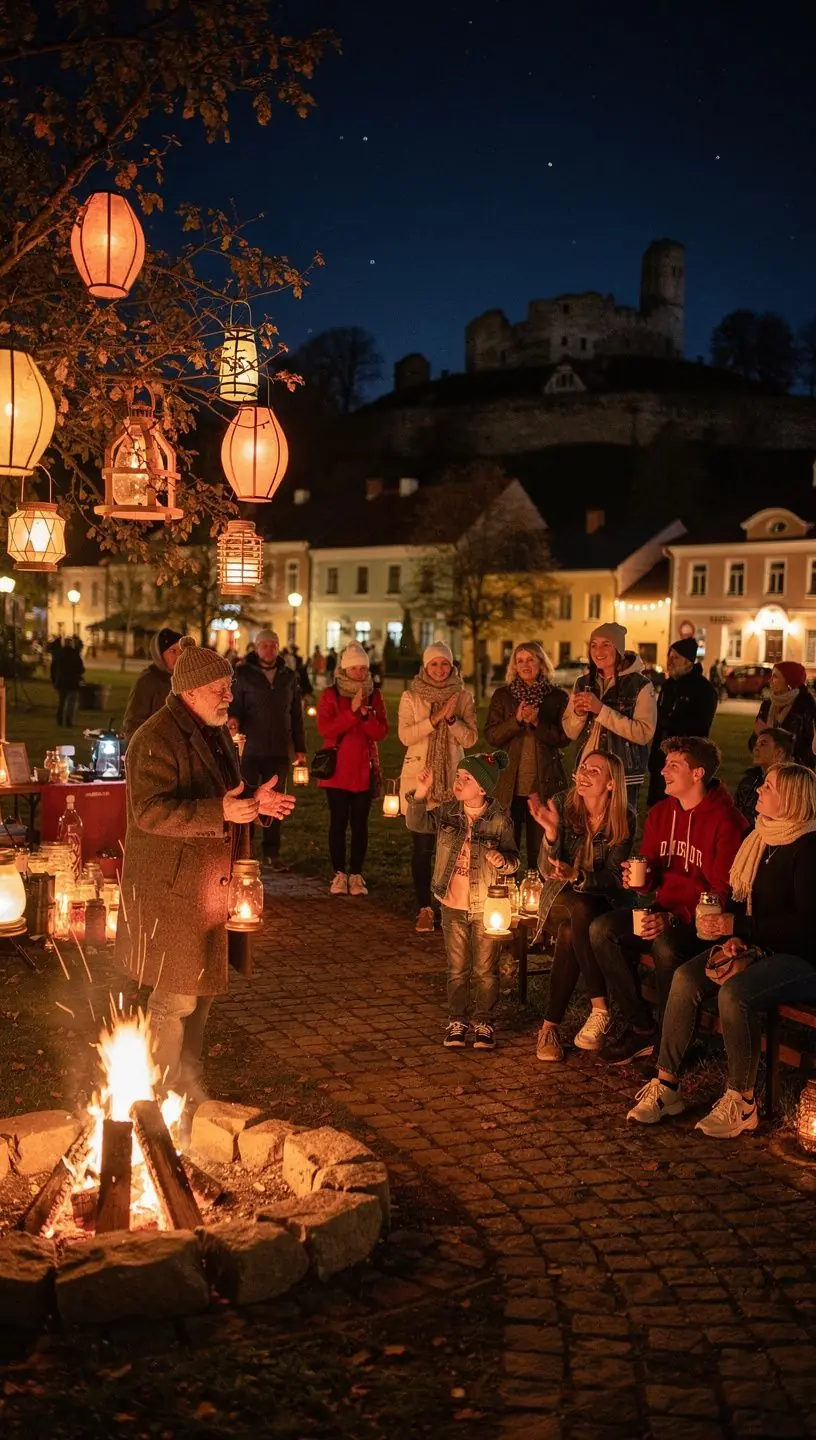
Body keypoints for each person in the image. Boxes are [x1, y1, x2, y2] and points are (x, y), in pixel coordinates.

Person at [115, 637, 295, 1100]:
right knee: (175, 997)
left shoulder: (211, 730)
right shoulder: (153, 739)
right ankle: (151, 1098)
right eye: (221, 687)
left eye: (229, 685)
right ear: (191, 691)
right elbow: (150, 812)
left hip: (209, 885)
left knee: (203, 992)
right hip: (172, 889)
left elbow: (227, 791)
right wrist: (221, 812)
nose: (229, 695)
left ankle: (185, 1091)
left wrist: (255, 800)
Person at [627, 763, 816, 1137]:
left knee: (735, 994)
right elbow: (747, 905)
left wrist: (739, 927)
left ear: (791, 800)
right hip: (758, 946)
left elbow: (806, 926)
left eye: (769, 786)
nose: (759, 789)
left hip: (802, 959)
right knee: (685, 977)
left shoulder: (808, 848)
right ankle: (667, 1086)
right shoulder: (763, 838)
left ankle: (742, 1101)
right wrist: (734, 934)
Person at [588, 736, 748, 1065]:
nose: (663, 771)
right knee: (602, 929)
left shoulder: (727, 821)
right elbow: (652, 881)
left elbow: (722, 892)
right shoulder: (661, 813)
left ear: (698, 773)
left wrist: (674, 919)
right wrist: (642, 878)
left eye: (673, 765)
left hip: (703, 922)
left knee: (666, 946)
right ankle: (641, 1028)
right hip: (665, 909)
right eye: (665, 764)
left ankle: (671, 1043)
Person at [406, 750, 518, 1050]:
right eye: (458, 776)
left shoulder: (499, 820)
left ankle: (484, 1021)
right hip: (452, 903)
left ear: (482, 788)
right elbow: (416, 823)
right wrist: (421, 792)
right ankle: (457, 1020)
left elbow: (514, 860)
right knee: (457, 968)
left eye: (466, 778)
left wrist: (501, 861)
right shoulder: (447, 813)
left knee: (485, 969)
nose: (458, 782)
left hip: (486, 907)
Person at [530, 751, 636, 1062]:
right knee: (578, 908)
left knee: (571, 930)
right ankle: (600, 1008)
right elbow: (544, 870)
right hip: (562, 896)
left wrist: (580, 875)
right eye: (582, 767)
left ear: (612, 784)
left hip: (605, 902)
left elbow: (616, 877)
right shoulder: (564, 804)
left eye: (594, 770)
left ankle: (549, 1027)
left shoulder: (624, 817)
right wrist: (550, 835)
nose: (584, 773)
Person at [399, 642, 478, 934]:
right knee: (421, 848)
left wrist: (451, 719)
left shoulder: (463, 697)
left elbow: (470, 740)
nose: (440, 669)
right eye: (434, 664)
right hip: (422, 780)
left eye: (445, 664)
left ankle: (447, 904)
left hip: (452, 783)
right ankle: (424, 908)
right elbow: (405, 735)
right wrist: (433, 720)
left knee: (451, 849)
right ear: (425, 667)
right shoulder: (411, 696)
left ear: (452, 665)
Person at [484, 641, 568, 868]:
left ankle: (537, 895)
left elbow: (564, 738)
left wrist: (538, 722)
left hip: (543, 785)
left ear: (541, 663)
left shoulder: (557, 697)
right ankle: (505, 896)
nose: (525, 664)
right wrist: (517, 721)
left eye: (531, 659)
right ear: (513, 666)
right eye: (519, 660)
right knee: (505, 848)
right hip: (509, 785)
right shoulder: (503, 695)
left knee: (540, 849)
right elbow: (492, 735)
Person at [228, 628, 307, 869]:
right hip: (250, 749)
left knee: (276, 803)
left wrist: (300, 749)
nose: (269, 649)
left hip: (278, 750)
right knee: (249, 801)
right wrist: (234, 721)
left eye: (274, 645)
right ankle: (246, 850)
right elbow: (235, 706)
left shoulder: (288, 676)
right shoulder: (242, 674)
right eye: (265, 645)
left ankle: (272, 852)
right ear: (256, 647)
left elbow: (296, 714)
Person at [315, 642, 388, 896]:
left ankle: (356, 874)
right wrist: (352, 713)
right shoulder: (330, 695)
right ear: (345, 669)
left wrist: (366, 716)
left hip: (363, 772)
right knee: (337, 823)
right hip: (336, 771)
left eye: (363, 668)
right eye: (354, 668)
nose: (359, 672)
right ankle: (338, 874)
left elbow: (380, 732)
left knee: (360, 825)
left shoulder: (374, 694)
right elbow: (326, 730)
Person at [562, 623, 657, 809]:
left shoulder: (641, 686)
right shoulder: (582, 683)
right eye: (593, 645)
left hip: (621, 774)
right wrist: (579, 714)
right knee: (584, 829)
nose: (598, 651)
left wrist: (601, 710)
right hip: (586, 772)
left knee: (617, 831)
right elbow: (570, 732)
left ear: (619, 650)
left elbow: (644, 733)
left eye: (606, 644)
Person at [647, 638, 718, 807]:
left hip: (686, 760)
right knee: (660, 807)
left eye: (676, 657)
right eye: (669, 656)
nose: (670, 661)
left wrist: (667, 721)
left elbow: (698, 726)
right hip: (661, 759)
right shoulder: (668, 686)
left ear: (689, 663)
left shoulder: (704, 690)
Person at [122, 627, 183, 744]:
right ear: (159, 654)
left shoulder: (188, 680)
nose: (179, 656)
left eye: (181, 651)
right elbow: (134, 722)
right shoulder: (147, 681)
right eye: (173, 651)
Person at [751, 662, 816, 769]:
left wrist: (772, 736)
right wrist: (759, 737)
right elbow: (752, 744)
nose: (770, 680)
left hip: (795, 771)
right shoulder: (767, 705)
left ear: (789, 682)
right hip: (766, 769)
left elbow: (808, 749)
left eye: (775, 677)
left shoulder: (806, 707)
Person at [734, 727, 794, 825]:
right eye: (756, 744)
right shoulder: (749, 780)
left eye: (763, 744)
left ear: (779, 752)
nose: (755, 749)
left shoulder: (793, 785)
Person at [54, 635, 85, 727]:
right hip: (73, 682)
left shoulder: (59, 654)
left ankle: (59, 720)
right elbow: (81, 669)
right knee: (71, 703)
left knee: (61, 702)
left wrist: (55, 680)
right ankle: (68, 721)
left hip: (62, 681)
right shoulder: (75, 654)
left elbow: (54, 667)